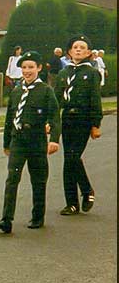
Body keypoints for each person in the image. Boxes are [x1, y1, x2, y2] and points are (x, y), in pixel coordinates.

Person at [0, 51, 60, 234]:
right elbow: (9, 119)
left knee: (38, 180)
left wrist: (54, 140)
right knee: (12, 179)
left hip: (36, 141)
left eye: (31, 67)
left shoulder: (46, 91)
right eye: (24, 67)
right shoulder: (16, 92)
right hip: (18, 142)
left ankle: (38, 216)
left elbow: (54, 117)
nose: (27, 71)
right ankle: (6, 219)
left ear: (39, 68)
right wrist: (6, 143)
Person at [54, 35, 102, 216]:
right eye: (75, 47)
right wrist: (51, 121)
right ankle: (71, 203)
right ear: (69, 51)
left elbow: (95, 100)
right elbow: (56, 99)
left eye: (83, 47)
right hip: (67, 119)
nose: (79, 50)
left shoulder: (91, 73)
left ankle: (87, 189)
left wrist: (95, 124)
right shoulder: (63, 73)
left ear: (89, 52)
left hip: (83, 120)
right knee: (68, 160)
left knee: (73, 157)